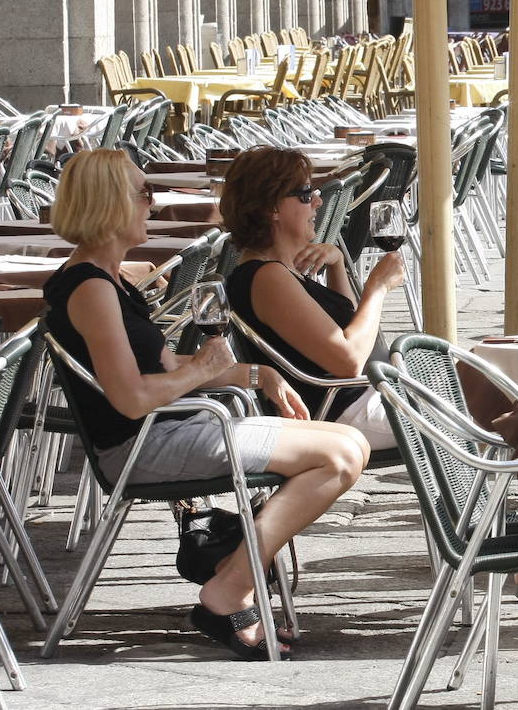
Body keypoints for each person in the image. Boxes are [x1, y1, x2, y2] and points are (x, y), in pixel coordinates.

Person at [43, 148, 368, 660]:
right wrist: (203, 368)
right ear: (109, 203)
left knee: (349, 443)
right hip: (142, 445)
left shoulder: (110, 281)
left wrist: (258, 373)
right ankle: (228, 590)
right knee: (340, 454)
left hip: (173, 430)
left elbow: (168, 365)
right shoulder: (90, 290)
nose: (152, 202)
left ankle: (232, 572)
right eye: (144, 192)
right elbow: (131, 399)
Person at [220, 147, 408, 448]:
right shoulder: (267, 278)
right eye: (307, 195)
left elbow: (348, 325)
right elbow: (348, 360)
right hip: (349, 410)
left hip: (369, 394)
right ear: (272, 209)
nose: (319, 202)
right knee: (484, 393)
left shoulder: (279, 271)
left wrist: (337, 266)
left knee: (484, 375)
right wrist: (377, 288)